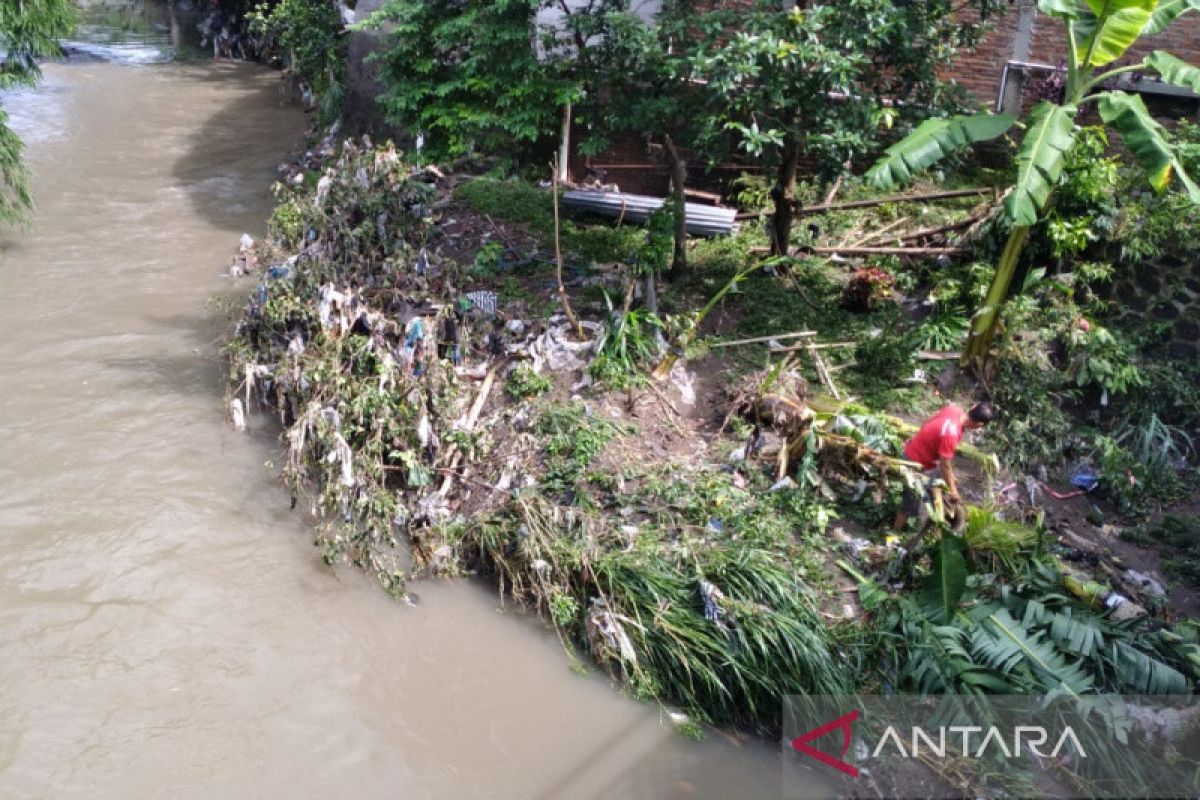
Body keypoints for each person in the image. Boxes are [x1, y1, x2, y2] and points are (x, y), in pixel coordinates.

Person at [893, 401, 995, 530]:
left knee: (942, 484)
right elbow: (945, 464)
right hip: (915, 463)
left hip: (921, 455)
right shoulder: (951, 435)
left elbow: (929, 419)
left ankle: (935, 516)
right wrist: (953, 491)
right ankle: (895, 535)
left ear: (973, 407)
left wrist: (918, 437)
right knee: (909, 504)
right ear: (979, 425)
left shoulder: (954, 409)